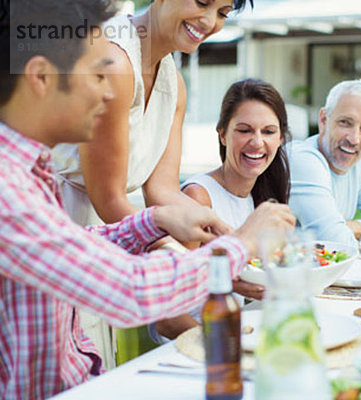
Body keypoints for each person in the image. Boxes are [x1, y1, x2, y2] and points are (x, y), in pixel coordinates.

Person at [0, 1, 295, 397]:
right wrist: (238, 246)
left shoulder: (26, 170)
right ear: (41, 77)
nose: (110, 94)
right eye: (98, 75)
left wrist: (154, 221)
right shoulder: (10, 192)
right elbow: (130, 289)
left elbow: (84, 240)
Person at [50, 0, 253, 366]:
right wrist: (206, 263)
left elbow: (162, 191)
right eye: (202, 2)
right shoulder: (112, 61)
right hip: (62, 226)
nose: (208, 21)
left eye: (222, 12)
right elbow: (109, 200)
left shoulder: (173, 82)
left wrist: (231, 239)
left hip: (115, 232)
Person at [150, 78, 290, 340]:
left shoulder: (261, 199)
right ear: (223, 134)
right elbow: (165, 317)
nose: (257, 142)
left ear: (280, 138)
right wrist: (222, 344)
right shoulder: (199, 197)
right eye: (245, 130)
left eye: (268, 131)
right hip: (192, 346)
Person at [287, 79, 361, 247]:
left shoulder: (359, 164)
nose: (354, 139)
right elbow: (335, 241)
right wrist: (343, 232)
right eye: (345, 123)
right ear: (323, 120)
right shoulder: (301, 159)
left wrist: (354, 227)